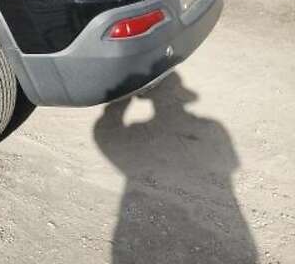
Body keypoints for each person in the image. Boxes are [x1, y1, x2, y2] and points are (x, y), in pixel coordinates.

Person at [93, 72, 257, 263]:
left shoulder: (138, 133)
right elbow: (229, 164)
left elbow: (105, 136)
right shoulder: (212, 127)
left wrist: (122, 99)